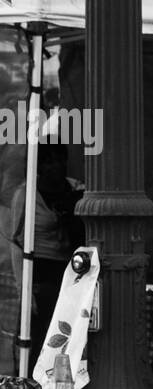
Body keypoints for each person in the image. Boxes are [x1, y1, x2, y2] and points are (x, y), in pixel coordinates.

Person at [8, 143, 84, 374]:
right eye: (49, 162)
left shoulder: (77, 190)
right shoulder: (26, 194)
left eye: (60, 160)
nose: (56, 167)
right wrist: (25, 290)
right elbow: (16, 243)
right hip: (40, 270)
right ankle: (31, 382)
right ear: (39, 166)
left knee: (69, 332)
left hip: (71, 269)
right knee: (39, 334)